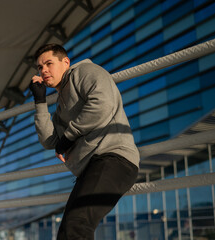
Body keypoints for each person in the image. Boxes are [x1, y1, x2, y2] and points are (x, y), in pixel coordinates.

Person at [29, 43, 140, 239]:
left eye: (48, 63)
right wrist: (40, 102)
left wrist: (69, 136)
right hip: (91, 168)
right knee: (67, 232)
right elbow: (49, 141)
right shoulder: (60, 104)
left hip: (113, 158)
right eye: (39, 67)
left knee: (76, 227)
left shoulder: (86, 71)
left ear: (66, 62)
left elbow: (102, 103)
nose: (44, 70)